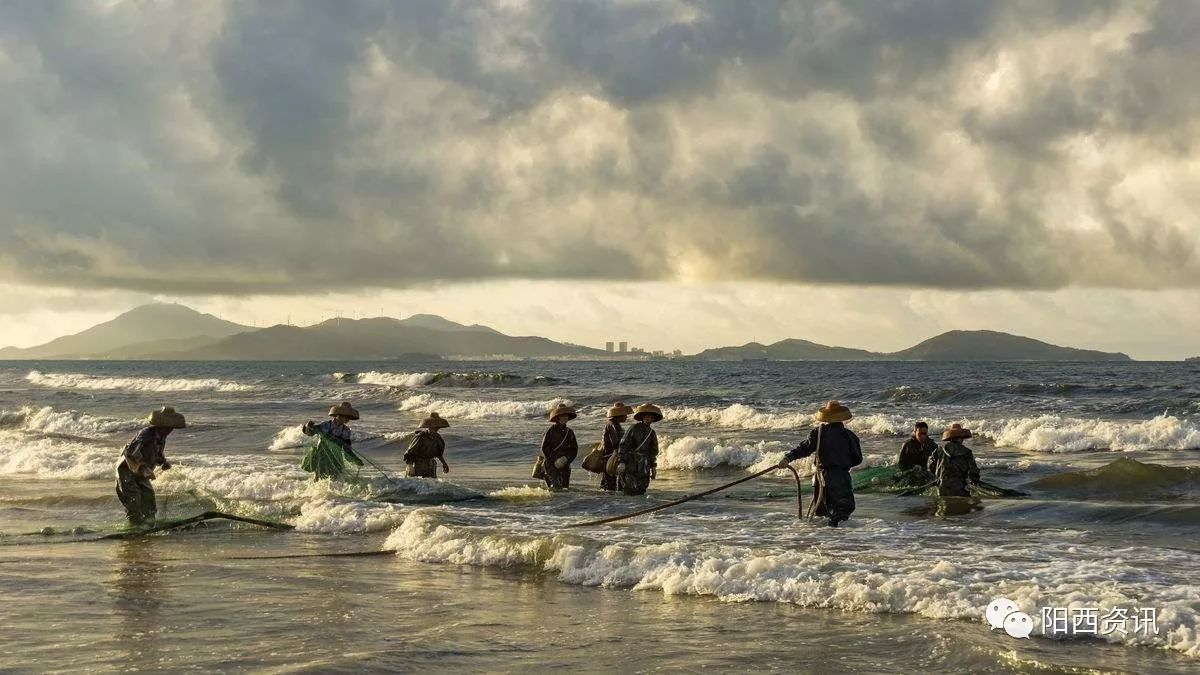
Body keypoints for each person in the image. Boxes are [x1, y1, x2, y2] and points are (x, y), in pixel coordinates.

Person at [776, 400, 863, 527]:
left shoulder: (818, 433)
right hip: (840, 477)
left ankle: (824, 537)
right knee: (844, 508)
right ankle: (835, 538)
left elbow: (804, 449)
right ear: (842, 417)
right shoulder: (850, 436)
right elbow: (858, 459)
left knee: (824, 511)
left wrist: (787, 458)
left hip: (820, 478)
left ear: (826, 417)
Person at [116, 406, 186, 527]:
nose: (170, 430)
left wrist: (163, 462)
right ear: (161, 425)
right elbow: (132, 454)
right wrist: (143, 467)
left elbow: (157, 453)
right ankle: (134, 526)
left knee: (148, 498)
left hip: (141, 472)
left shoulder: (161, 437)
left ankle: (148, 525)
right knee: (134, 499)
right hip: (126, 470)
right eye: (168, 427)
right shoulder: (146, 434)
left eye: (171, 427)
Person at [300, 401, 363, 479]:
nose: (348, 419)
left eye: (349, 417)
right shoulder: (326, 425)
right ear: (339, 415)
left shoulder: (346, 431)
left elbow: (347, 448)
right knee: (319, 478)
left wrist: (355, 459)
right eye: (346, 417)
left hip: (336, 459)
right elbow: (310, 433)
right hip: (322, 456)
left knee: (335, 479)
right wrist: (308, 427)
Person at [616, 403, 662, 496]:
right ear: (642, 417)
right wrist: (622, 462)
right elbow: (623, 444)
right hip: (630, 463)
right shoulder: (633, 428)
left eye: (650, 416)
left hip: (644, 466)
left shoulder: (651, 433)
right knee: (628, 488)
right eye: (645, 416)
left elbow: (653, 452)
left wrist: (653, 467)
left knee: (641, 489)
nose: (647, 418)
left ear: (653, 419)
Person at [930, 423, 981, 497]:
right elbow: (974, 471)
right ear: (961, 438)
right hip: (960, 489)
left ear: (950, 438)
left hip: (942, 487)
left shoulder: (939, 450)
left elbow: (931, 465)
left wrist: (938, 477)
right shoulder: (966, 452)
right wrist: (974, 482)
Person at [539, 404, 579, 490]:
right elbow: (544, 448)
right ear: (558, 417)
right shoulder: (550, 431)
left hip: (565, 465)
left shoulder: (570, 432)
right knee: (555, 488)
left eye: (566, 416)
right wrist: (554, 461)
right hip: (551, 465)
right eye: (562, 416)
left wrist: (566, 459)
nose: (565, 418)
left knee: (565, 489)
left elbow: (574, 449)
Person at [599, 402, 633, 491]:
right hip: (611, 457)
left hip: (608, 457)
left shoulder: (612, 424)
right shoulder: (614, 425)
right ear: (619, 415)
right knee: (611, 483)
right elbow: (616, 443)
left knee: (607, 482)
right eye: (625, 414)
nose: (626, 416)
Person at [404, 412, 450, 478]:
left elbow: (438, 454)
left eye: (436, 427)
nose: (435, 429)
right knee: (417, 483)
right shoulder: (420, 437)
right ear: (429, 427)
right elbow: (410, 451)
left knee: (431, 484)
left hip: (431, 464)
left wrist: (444, 463)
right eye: (433, 427)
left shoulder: (438, 438)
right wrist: (410, 465)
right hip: (419, 464)